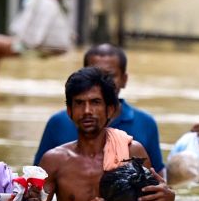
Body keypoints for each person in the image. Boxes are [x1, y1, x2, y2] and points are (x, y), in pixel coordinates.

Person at [39, 67, 175, 201]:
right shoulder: (54, 161)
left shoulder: (132, 152)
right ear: (69, 111)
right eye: (79, 103)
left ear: (110, 109)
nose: (87, 111)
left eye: (95, 102)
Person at [33, 43, 167, 178]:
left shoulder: (144, 126)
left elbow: (157, 181)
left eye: (109, 76)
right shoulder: (58, 123)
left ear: (124, 79)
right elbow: (37, 181)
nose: (102, 82)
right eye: (94, 75)